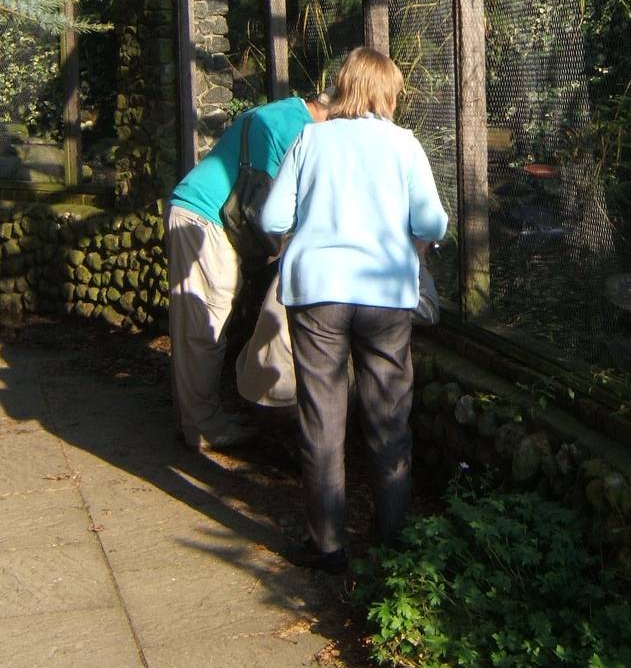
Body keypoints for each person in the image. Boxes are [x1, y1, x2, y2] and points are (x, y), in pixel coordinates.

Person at [261, 47, 447, 571]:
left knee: (322, 416)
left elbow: (273, 215)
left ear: (343, 85)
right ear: (387, 92)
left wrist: (292, 239)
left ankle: (327, 545)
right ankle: (393, 543)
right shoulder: (404, 145)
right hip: (387, 294)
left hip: (317, 293)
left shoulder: (310, 138)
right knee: (389, 418)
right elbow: (433, 224)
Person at [165, 92, 328, 451]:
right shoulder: (302, 130)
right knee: (204, 326)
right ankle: (205, 428)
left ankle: (194, 419)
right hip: (205, 217)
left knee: (199, 324)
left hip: (201, 211)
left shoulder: (285, 112)